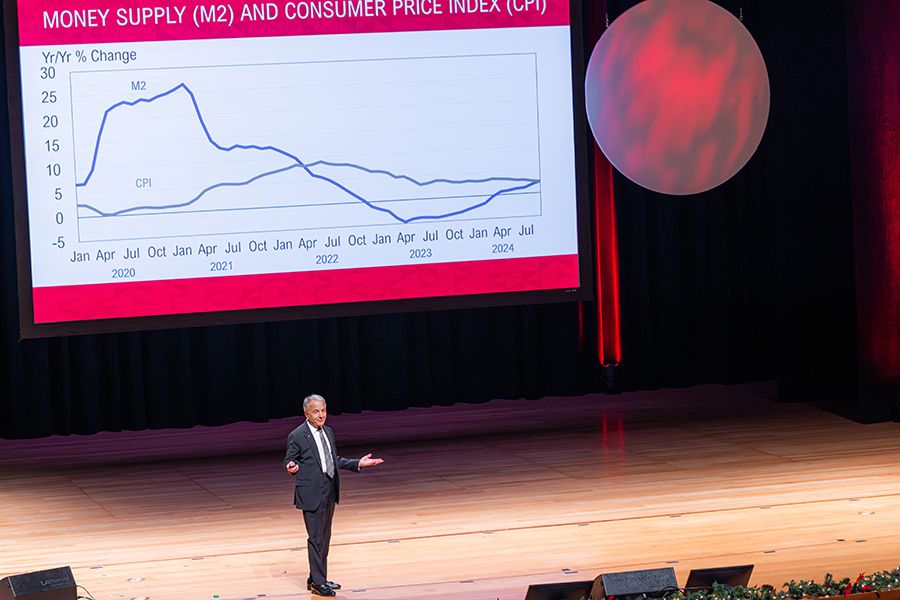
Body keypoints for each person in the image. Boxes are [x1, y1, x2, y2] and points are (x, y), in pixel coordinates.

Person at [283, 394, 383, 597]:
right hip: (311, 491)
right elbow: (290, 460)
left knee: (325, 536)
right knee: (315, 538)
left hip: (329, 488)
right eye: (316, 412)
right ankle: (318, 583)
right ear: (306, 413)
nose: (321, 415)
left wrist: (357, 463)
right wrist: (291, 467)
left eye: (323, 411)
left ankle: (318, 577)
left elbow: (332, 460)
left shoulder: (327, 432)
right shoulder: (298, 435)